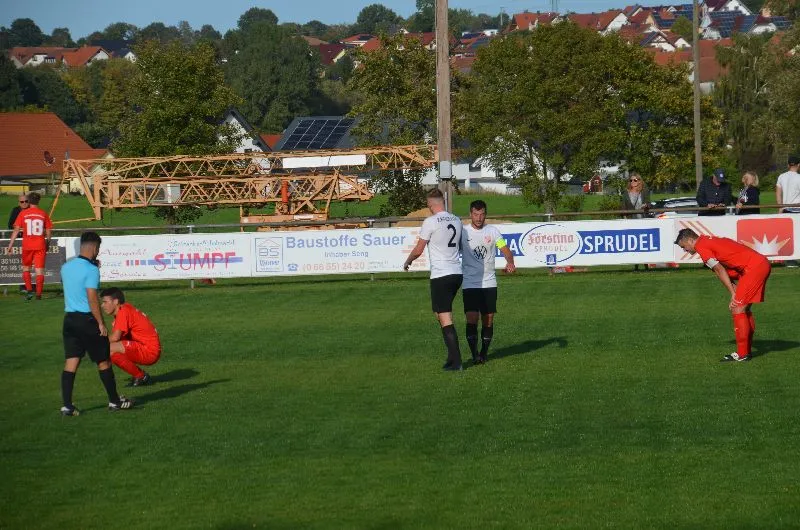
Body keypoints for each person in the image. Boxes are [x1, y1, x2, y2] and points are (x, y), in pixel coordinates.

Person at [59, 231, 134, 415]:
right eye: (98, 248)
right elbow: (92, 297)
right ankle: (114, 401)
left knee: (71, 361)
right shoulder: (92, 270)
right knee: (103, 360)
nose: (98, 252)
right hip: (87, 320)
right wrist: (100, 323)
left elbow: (72, 283)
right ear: (94, 247)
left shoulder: (66, 267)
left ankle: (67, 406)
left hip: (69, 319)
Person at [674, 228, 771, 362]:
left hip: (753, 268)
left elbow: (719, 270)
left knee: (737, 308)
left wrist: (733, 293)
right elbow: (723, 269)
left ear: (690, 240)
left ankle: (742, 354)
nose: (685, 250)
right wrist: (734, 289)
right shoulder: (706, 241)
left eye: (684, 247)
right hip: (755, 266)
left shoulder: (701, 246)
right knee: (743, 309)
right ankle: (745, 352)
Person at [403, 188, 464, 371]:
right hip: (456, 273)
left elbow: (419, 249)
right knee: (439, 313)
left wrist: (408, 261)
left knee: (445, 317)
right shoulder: (456, 219)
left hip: (441, 275)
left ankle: (457, 362)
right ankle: (451, 358)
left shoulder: (430, 221)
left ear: (430, 204)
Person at [460, 200, 516, 365]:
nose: (479, 218)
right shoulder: (463, 232)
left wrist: (510, 262)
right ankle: (474, 354)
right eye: (475, 214)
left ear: (485, 214)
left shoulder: (493, 231)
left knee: (488, 318)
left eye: (482, 214)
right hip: (470, 283)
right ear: (470, 214)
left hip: (489, 282)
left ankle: (484, 353)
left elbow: (505, 249)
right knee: (472, 318)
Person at [100, 287, 161, 386]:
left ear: (115, 301)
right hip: (145, 347)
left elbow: (115, 337)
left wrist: (96, 342)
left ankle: (141, 376)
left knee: (108, 348)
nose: (102, 305)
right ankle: (140, 376)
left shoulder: (123, 312)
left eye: (105, 302)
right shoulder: (125, 309)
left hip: (149, 351)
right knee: (110, 350)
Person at [5, 192, 52, 300]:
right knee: (39, 270)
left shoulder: (23, 213)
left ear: (29, 201)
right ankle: (38, 294)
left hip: (27, 245)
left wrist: (10, 245)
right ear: (39, 201)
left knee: (26, 268)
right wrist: (48, 243)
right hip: (40, 244)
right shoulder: (43, 213)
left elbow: (16, 230)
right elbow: (49, 232)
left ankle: (29, 291)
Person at [776, 155, 800, 267]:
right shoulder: (798, 177)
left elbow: (778, 193)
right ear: (798, 165)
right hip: (797, 209)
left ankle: (790, 260)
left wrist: (780, 207)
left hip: (785, 209)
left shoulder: (781, 176)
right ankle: (792, 259)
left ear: (788, 165)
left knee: (789, 236)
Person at [7, 194, 29, 292]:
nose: (24, 203)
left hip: (31, 240)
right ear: (19, 202)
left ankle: (32, 286)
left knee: (32, 265)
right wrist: (19, 229)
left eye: (26, 201)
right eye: (22, 202)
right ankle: (23, 286)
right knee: (23, 264)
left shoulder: (32, 209)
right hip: (20, 240)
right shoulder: (15, 210)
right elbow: (10, 225)